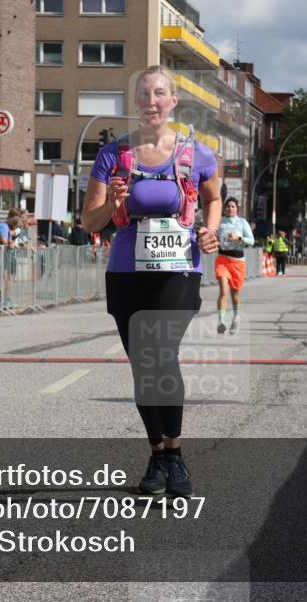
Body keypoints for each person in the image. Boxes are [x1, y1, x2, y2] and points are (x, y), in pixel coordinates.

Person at [81, 65, 221, 498]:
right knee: (144, 366)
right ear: (135, 104)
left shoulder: (198, 153)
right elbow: (90, 220)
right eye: (143, 94)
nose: (151, 101)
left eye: (160, 93)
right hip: (127, 270)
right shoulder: (113, 156)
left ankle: (175, 455)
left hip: (179, 267)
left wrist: (211, 229)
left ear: (173, 101)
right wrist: (115, 204)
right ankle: (158, 453)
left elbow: (215, 196)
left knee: (160, 353)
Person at [215, 197, 254, 334]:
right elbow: (214, 237)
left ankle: (236, 317)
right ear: (225, 208)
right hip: (223, 259)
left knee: (235, 294)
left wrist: (238, 238)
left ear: (237, 208)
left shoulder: (242, 222)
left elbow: (251, 241)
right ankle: (221, 322)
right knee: (223, 291)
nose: (230, 208)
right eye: (228, 206)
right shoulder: (220, 222)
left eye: (233, 206)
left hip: (238, 262)